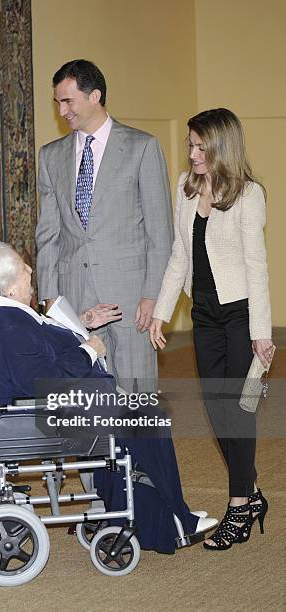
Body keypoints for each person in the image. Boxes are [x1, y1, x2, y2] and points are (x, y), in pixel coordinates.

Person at [0, 242, 217, 554]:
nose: (31, 270)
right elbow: (45, 381)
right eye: (22, 268)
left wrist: (81, 323)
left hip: (35, 412)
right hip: (46, 417)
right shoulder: (10, 324)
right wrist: (89, 351)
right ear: (8, 288)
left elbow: (40, 346)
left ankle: (154, 514)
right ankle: (168, 522)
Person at [150, 108, 273, 550]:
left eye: (201, 146)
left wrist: (262, 333)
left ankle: (239, 503)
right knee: (216, 409)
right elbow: (179, 256)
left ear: (222, 147)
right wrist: (162, 312)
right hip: (203, 316)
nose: (193, 153)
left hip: (239, 316)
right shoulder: (185, 191)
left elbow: (257, 267)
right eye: (190, 145)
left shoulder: (247, 194)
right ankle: (252, 492)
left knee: (237, 410)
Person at [36, 59, 173, 394]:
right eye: (57, 103)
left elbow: (160, 232)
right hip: (74, 298)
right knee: (83, 401)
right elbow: (48, 234)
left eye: (68, 101)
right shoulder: (50, 155)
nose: (62, 110)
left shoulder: (142, 147)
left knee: (135, 396)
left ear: (94, 95)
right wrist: (50, 298)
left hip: (130, 297)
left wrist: (153, 295)